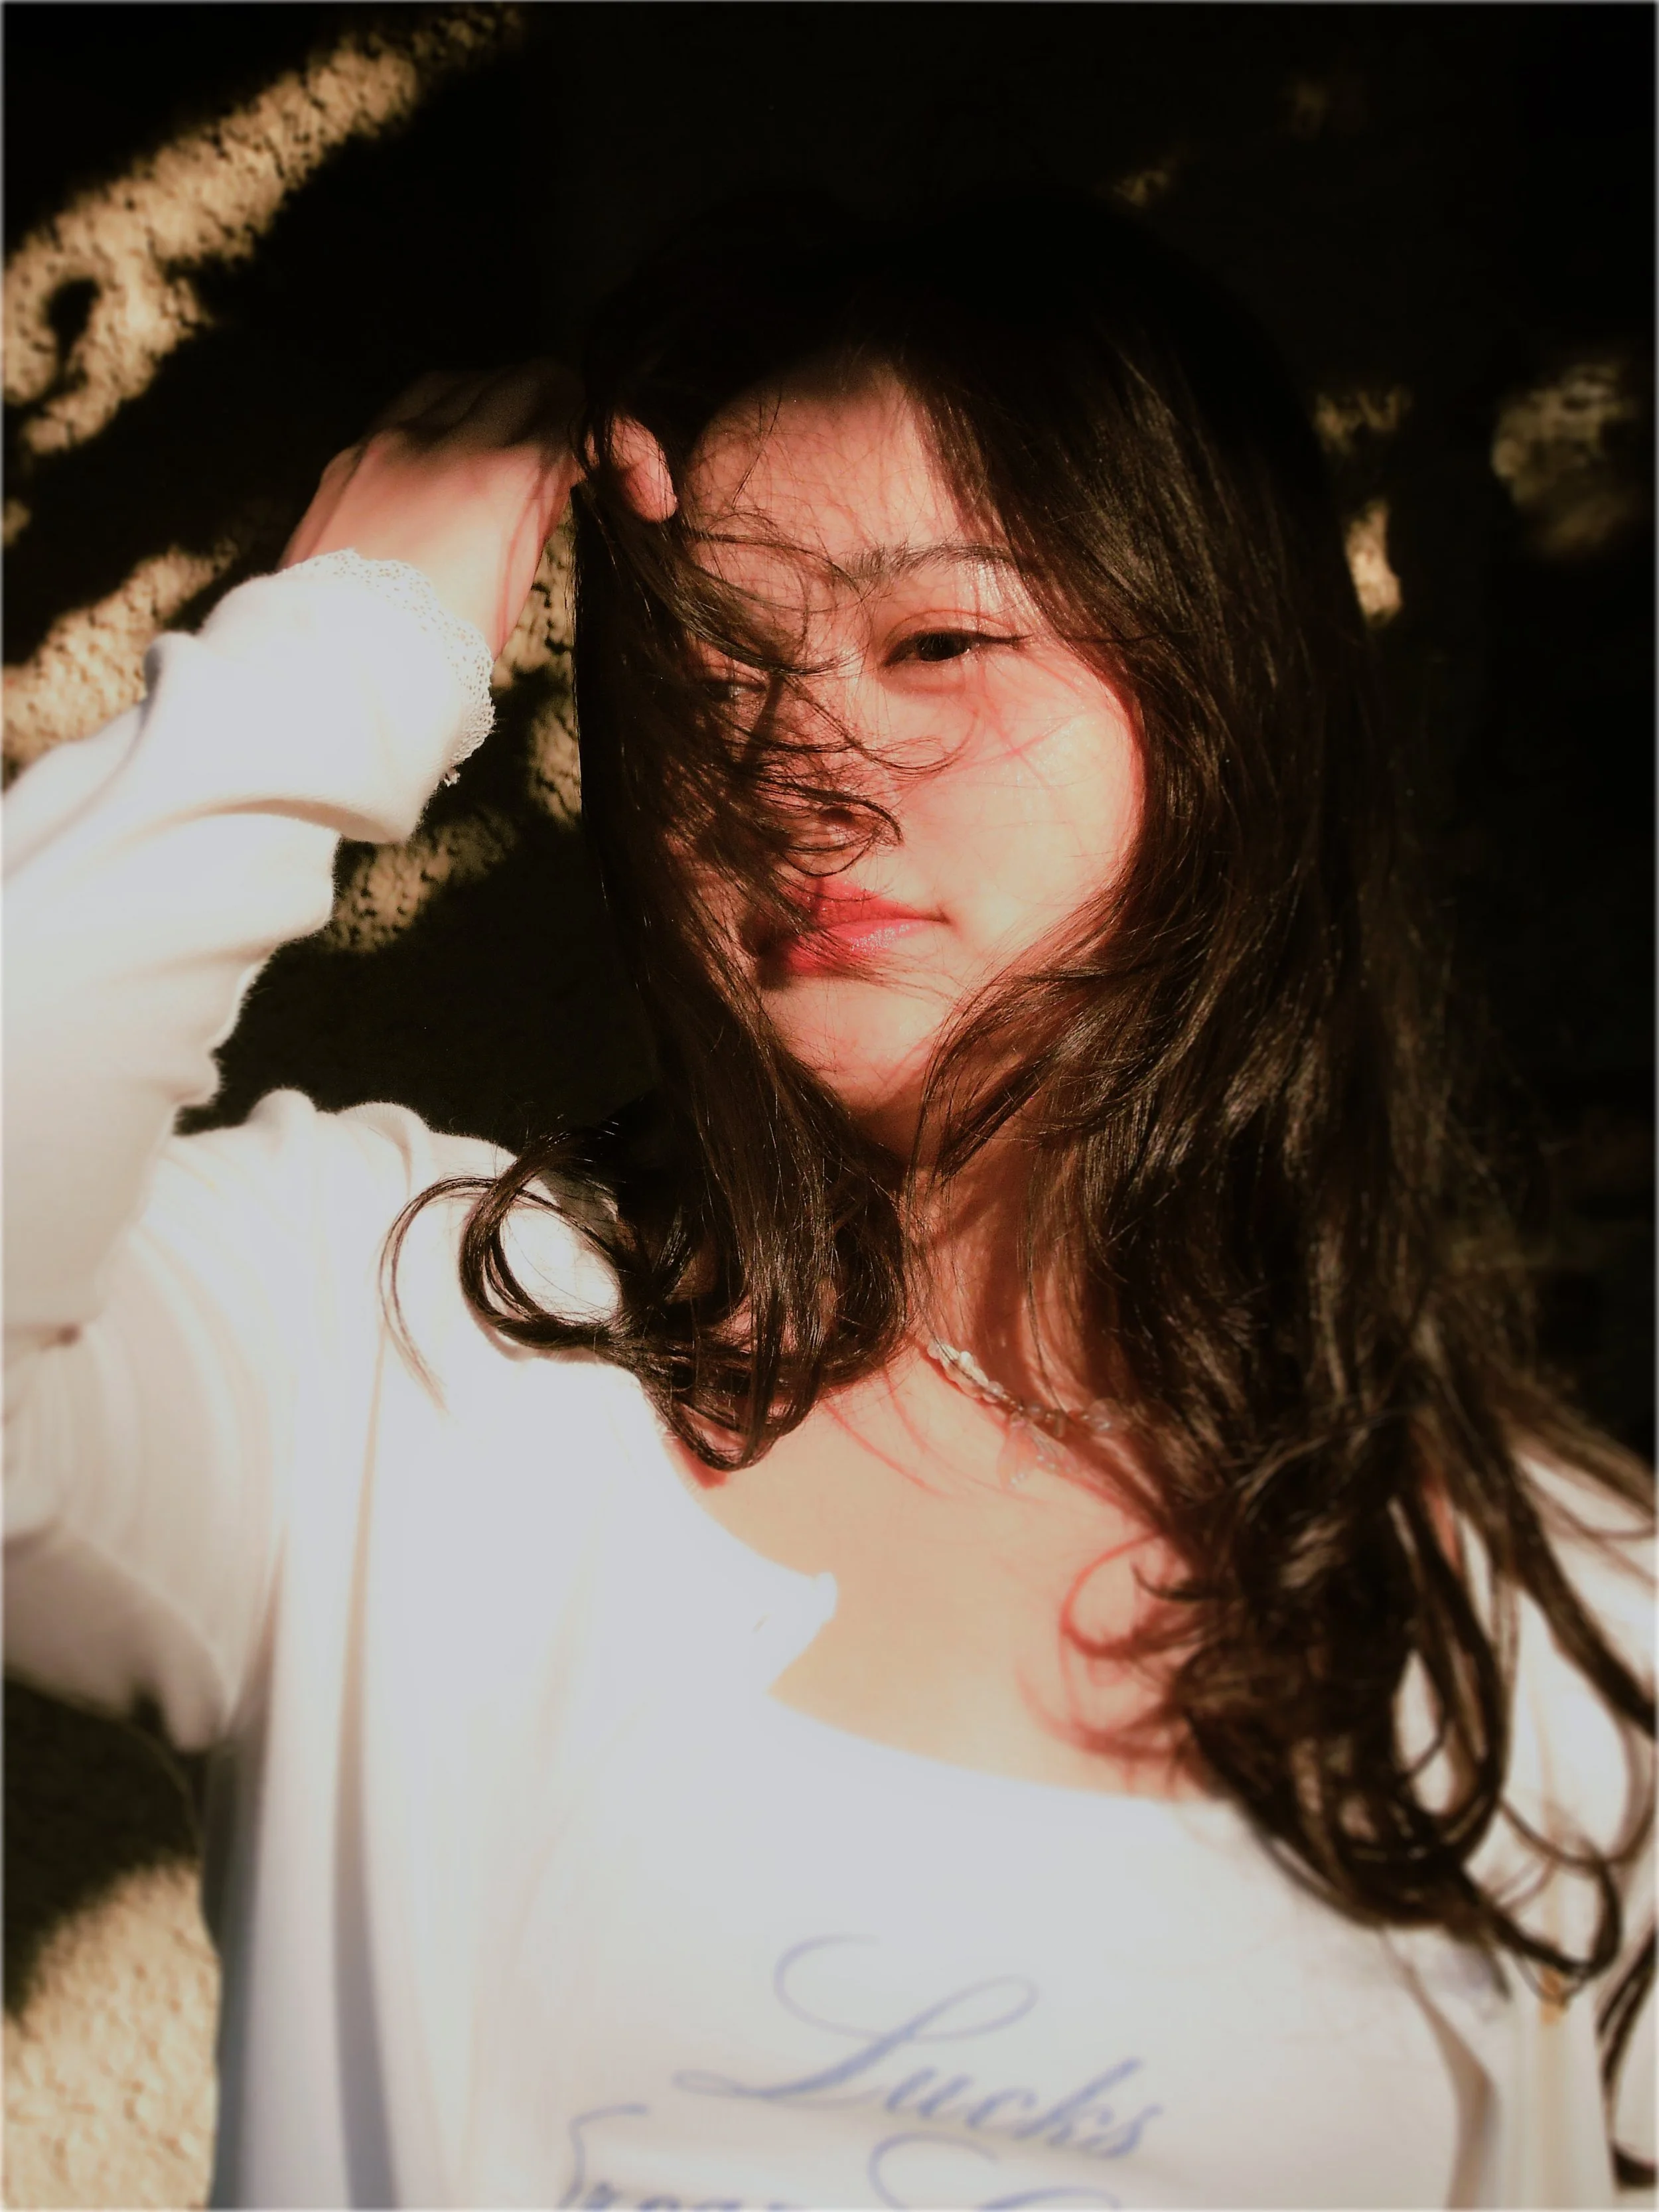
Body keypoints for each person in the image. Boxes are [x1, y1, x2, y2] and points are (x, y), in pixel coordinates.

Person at [5, 190, 1652, 2210]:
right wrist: (344, 654)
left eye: (939, 637)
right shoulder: (389, 1355)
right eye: (705, 668)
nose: (799, 754)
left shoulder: (1554, 1633)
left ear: (1228, 705)